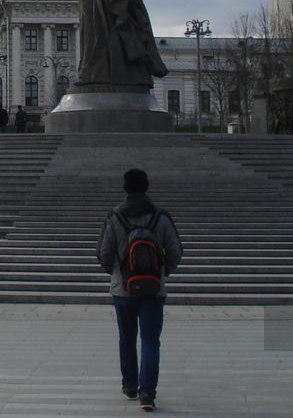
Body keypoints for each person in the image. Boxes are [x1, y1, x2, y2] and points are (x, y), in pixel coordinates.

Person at [97, 167, 182, 412]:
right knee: (151, 340)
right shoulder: (161, 217)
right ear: (146, 187)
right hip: (153, 289)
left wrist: (116, 274)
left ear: (125, 188)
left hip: (123, 289)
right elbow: (176, 250)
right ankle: (148, 393)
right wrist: (161, 273)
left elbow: (104, 252)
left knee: (127, 338)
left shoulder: (114, 217)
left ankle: (130, 386)